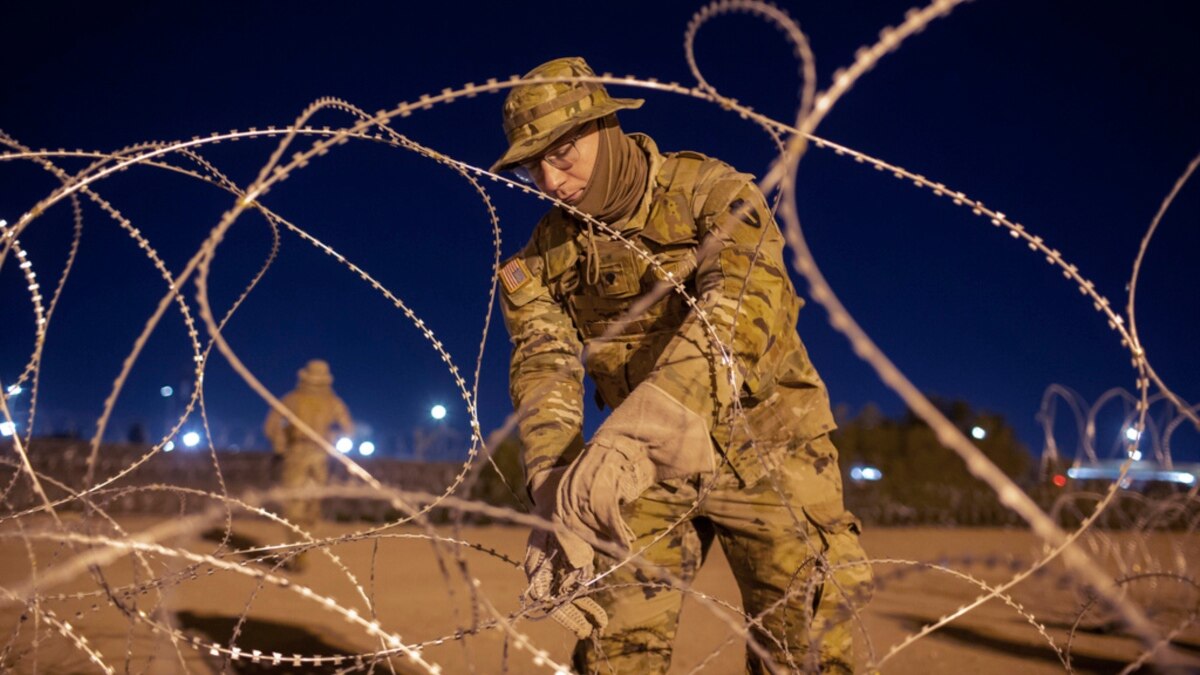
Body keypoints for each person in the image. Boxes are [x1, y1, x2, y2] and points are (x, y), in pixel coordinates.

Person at [493, 57, 873, 673]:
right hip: (642, 474)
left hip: (766, 448)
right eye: (532, 165)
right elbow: (544, 367)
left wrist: (638, 433)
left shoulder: (713, 194)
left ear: (606, 127)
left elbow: (742, 308)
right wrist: (554, 487)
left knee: (804, 651)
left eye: (562, 153)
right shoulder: (538, 262)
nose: (549, 180)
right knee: (615, 651)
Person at [262, 359, 354, 571]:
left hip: (313, 458)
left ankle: (300, 548)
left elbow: (271, 426)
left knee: (306, 508)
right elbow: (272, 425)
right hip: (302, 457)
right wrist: (282, 442)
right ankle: (299, 552)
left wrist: (281, 442)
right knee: (298, 507)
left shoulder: (325, 402)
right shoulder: (297, 400)